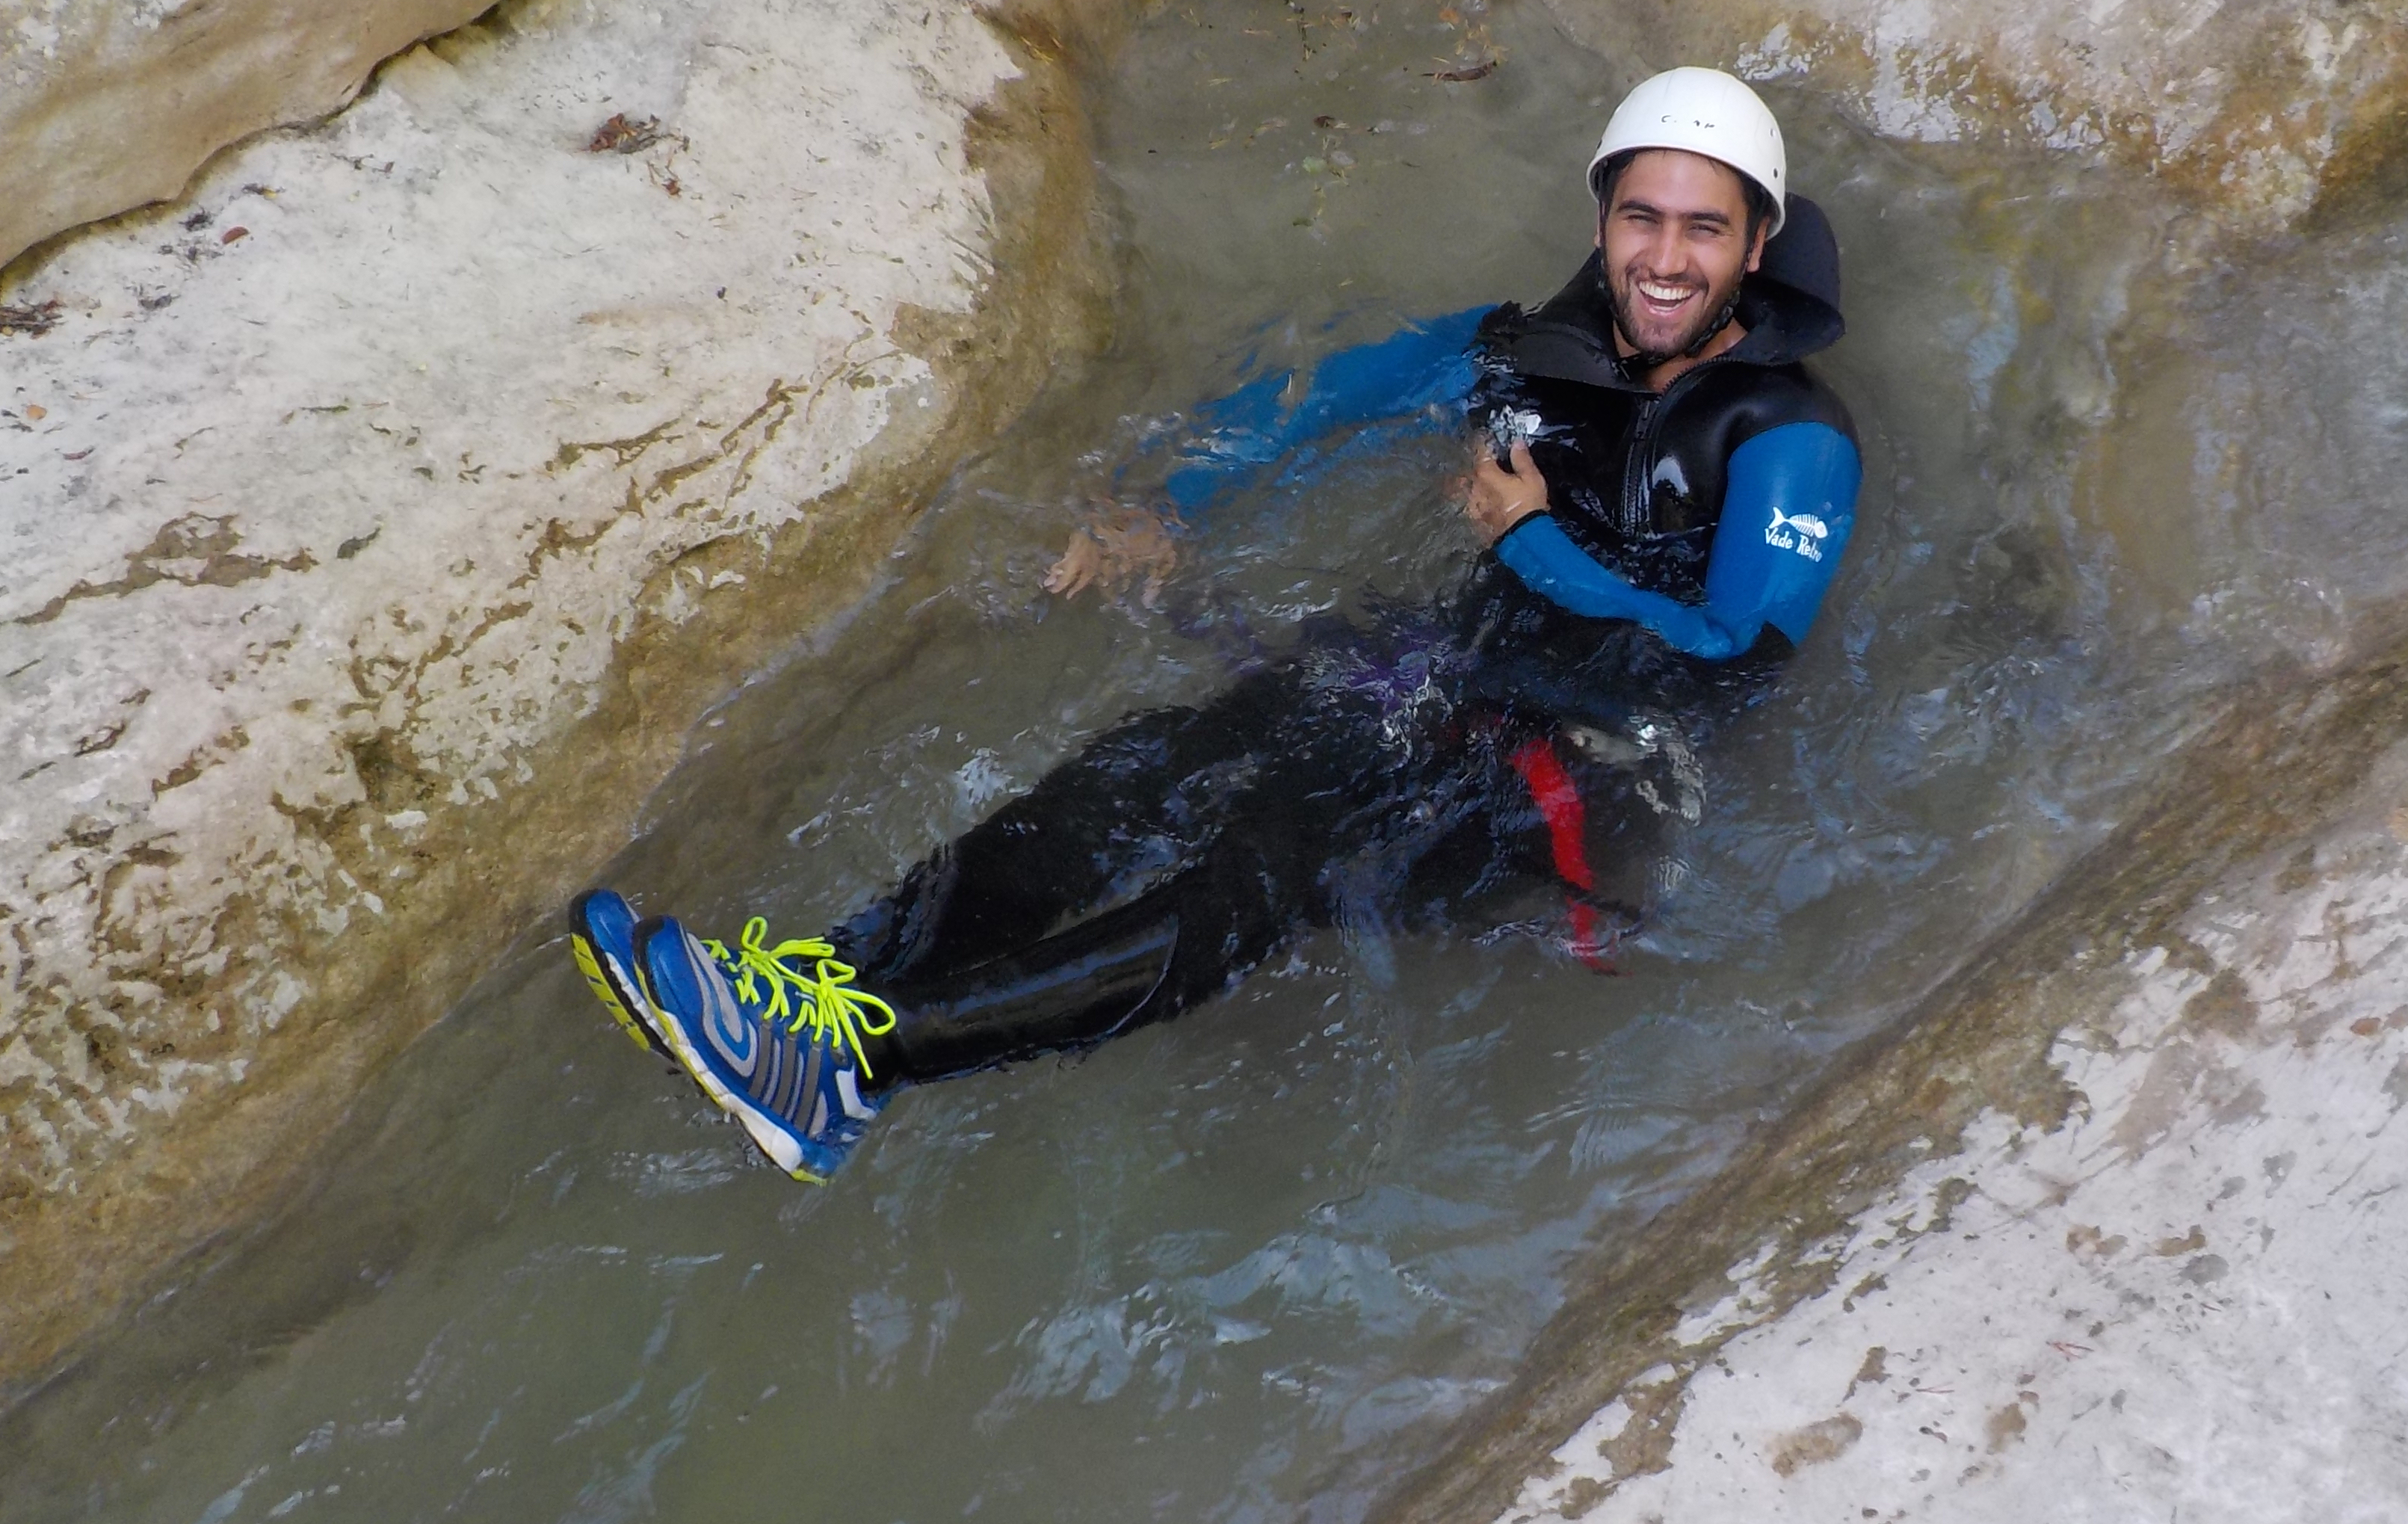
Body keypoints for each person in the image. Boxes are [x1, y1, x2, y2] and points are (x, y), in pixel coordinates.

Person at [567, 68, 1862, 1179]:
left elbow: (1730, 672)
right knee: (1140, 766)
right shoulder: (1528, 350)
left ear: (1757, 244)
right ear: (1603, 216)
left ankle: (857, 1068)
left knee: (1268, 846)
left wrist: (1538, 550)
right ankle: (812, 989)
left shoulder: (1791, 440)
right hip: (1445, 688)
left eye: (1705, 228)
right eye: (1643, 216)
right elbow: (1318, 398)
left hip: (1589, 785)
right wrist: (1169, 506)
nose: (1665, 258)